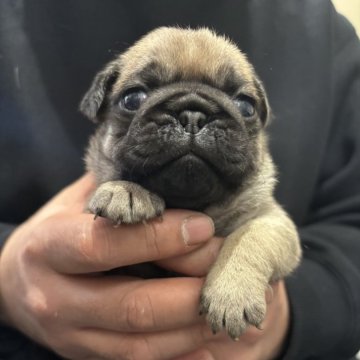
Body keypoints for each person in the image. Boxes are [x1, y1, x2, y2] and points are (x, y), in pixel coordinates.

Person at [0, 0, 360, 359]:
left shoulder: (324, 31)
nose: (192, 119)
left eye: (242, 107)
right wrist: (6, 277)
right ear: (100, 103)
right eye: (135, 98)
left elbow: (281, 230)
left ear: (264, 121)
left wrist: (292, 318)